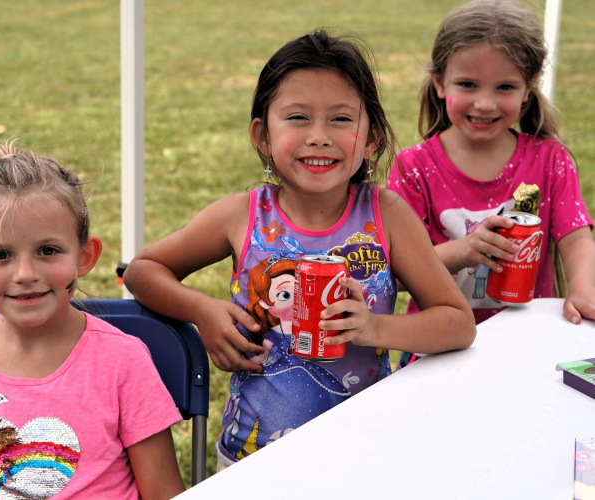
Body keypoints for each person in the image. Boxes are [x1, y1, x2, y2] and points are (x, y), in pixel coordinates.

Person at [124, 29, 476, 469]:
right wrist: (200, 310)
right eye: (297, 118)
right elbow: (144, 270)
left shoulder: (387, 215)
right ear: (262, 136)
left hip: (365, 455)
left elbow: (457, 323)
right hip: (252, 460)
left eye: (342, 119)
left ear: (372, 139)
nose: (319, 136)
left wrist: (372, 329)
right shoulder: (241, 216)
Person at [0, 142, 185, 499]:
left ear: (85, 256)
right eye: (0, 255)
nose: (25, 274)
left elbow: (164, 493)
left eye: (47, 251)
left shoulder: (123, 361)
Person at [387, 0, 595, 339]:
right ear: (440, 83)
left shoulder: (550, 159)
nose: (485, 103)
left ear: (529, 87)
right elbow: (394, 273)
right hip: (439, 345)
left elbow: (577, 240)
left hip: (528, 338)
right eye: (468, 84)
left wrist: (584, 288)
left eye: (505, 87)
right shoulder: (414, 167)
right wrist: (463, 251)